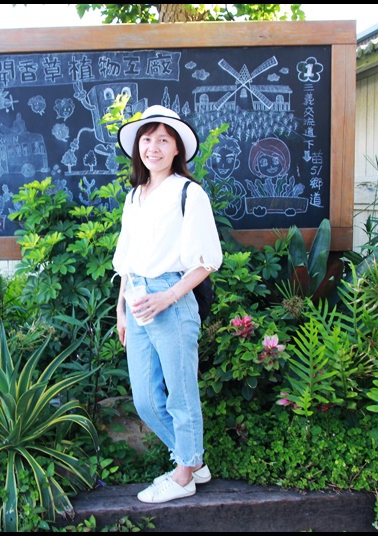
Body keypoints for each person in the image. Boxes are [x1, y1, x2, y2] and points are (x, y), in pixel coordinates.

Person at [112, 105, 223, 504]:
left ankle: (182, 477)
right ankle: (193, 459)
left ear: (177, 149)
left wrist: (168, 297)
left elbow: (207, 260)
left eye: (163, 139)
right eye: (146, 138)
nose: (153, 147)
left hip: (171, 300)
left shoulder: (188, 194)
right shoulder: (134, 196)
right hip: (137, 299)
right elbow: (125, 258)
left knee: (180, 393)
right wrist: (121, 309)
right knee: (144, 398)